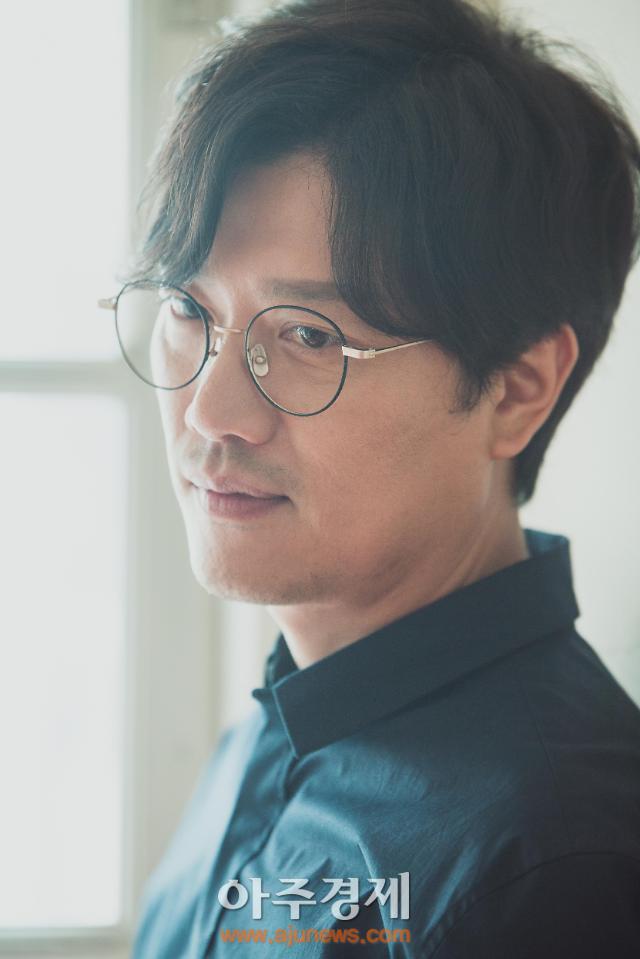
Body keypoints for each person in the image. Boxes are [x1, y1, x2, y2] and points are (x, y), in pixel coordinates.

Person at [105, 0, 640, 954]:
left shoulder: (552, 868)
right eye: (188, 305)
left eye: (309, 337)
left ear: (518, 388)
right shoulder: (273, 730)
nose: (210, 410)